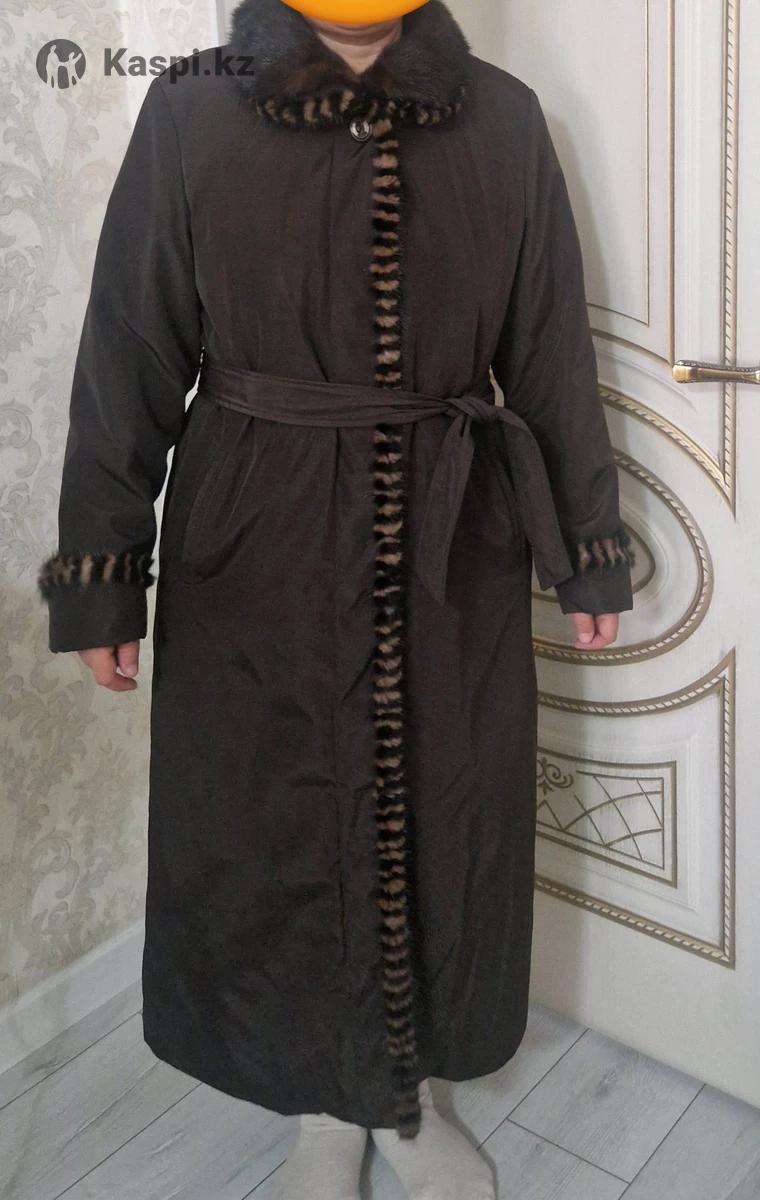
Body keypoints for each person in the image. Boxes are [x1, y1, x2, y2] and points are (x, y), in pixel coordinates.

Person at [36, 1, 635, 1197]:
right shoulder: (191, 108)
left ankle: (405, 1102)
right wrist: (104, 575)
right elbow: (130, 351)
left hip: (451, 542)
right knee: (272, 829)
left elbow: (549, 348)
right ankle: (319, 1101)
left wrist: (584, 545)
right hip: (255, 540)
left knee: (442, 821)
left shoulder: (505, 121)